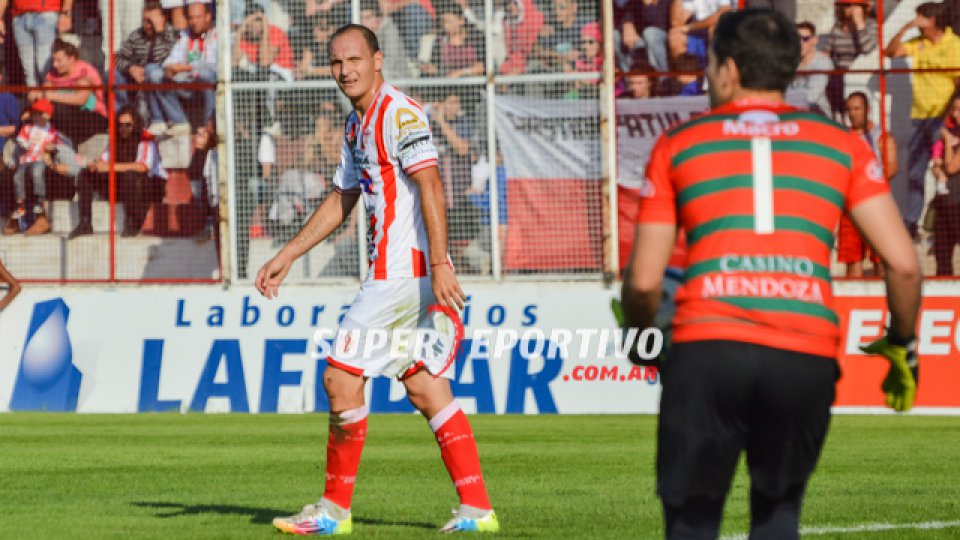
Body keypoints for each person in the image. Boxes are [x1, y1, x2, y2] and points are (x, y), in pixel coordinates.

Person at [621, 9, 921, 540]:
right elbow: (903, 264)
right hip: (802, 352)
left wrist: (640, 337)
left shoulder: (679, 143)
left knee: (691, 522)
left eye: (712, 65)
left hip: (707, 349)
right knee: (778, 516)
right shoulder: (842, 145)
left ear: (729, 70)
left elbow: (644, 283)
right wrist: (902, 343)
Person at [257, 24, 499, 535]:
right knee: (425, 387)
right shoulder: (355, 124)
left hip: (400, 275)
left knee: (340, 377)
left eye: (354, 59)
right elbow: (342, 198)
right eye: (336, 62)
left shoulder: (400, 113)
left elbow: (430, 184)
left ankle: (333, 511)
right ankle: (479, 510)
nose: (345, 70)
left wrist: (439, 262)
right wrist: (289, 253)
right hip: (396, 274)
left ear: (378, 59)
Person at [885, 1, 960, 240]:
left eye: (919, 18)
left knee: (947, 171)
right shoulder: (918, 43)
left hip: (944, 119)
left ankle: (946, 226)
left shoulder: (955, 45)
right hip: (919, 117)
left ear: (933, 20)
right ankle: (911, 224)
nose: (916, 22)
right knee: (916, 173)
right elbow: (891, 51)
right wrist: (906, 27)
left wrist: (949, 115)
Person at [69, 106, 166, 238]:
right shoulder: (116, 140)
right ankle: (85, 222)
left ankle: (132, 222)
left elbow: (142, 167)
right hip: (124, 185)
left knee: (130, 175)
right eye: (120, 125)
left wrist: (110, 167)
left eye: (128, 125)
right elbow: (104, 162)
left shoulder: (146, 139)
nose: (123, 129)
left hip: (149, 187)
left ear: (136, 125)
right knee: (85, 174)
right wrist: (95, 166)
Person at [837, 91, 898, 277]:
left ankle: (881, 302)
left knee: (880, 259)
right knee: (852, 261)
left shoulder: (881, 137)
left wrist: (867, 185)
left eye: (857, 108)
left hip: (875, 205)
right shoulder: (843, 137)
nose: (853, 113)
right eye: (849, 109)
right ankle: (853, 303)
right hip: (850, 207)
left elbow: (892, 168)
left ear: (867, 110)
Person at [149, 1, 217, 136]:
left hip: (205, 84)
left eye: (198, 17)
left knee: (207, 74)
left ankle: (209, 124)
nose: (193, 22)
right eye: (190, 18)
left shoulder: (217, 34)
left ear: (208, 17)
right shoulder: (185, 34)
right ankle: (179, 122)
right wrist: (170, 68)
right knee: (154, 73)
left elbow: (213, 66)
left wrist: (184, 68)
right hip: (185, 81)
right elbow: (172, 58)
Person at [34, 38, 108, 148]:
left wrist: (50, 95)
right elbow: (44, 94)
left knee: (58, 108)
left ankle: (67, 145)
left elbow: (80, 99)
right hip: (68, 114)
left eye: (59, 61)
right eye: (54, 61)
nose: (55, 64)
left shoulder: (84, 71)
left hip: (92, 115)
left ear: (71, 59)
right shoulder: (53, 73)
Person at [113, 0, 179, 118]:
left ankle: (155, 119)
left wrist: (158, 34)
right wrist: (130, 68)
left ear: (163, 18)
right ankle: (121, 118)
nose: (148, 25)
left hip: (162, 79)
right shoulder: (137, 35)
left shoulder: (172, 34)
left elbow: (162, 59)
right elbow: (118, 58)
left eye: (151, 21)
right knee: (112, 75)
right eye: (145, 21)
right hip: (138, 78)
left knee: (151, 70)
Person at [7, 99, 58, 235]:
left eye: (39, 113)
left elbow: (55, 144)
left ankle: (39, 200)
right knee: (18, 176)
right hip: (26, 158)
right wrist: (24, 144)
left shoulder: (51, 131)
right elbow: (21, 141)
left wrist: (51, 148)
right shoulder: (28, 128)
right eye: (34, 113)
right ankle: (20, 202)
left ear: (47, 115)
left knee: (37, 172)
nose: (35, 116)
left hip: (40, 158)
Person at [818, 0, 877, 118]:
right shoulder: (837, 28)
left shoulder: (871, 25)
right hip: (838, 76)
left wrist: (859, 24)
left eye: (855, 5)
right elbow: (827, 52)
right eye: (846, 5)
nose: (850, 9)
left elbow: (867, 48)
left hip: (859, 77)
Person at [0, 0, 72, 86]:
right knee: (29, 72)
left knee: (46, 68)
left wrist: (66, 13)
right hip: (19, 18)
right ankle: (37, 99)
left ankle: (50, 98)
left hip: (46, 14)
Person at [930, 93, 960, 275]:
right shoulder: (951, 132)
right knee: (942, 255)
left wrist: (948, 143)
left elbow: (950, 167)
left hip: (958, 204)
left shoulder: (949, 137)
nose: (956, 114)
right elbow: (936, 165)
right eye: (955, 109)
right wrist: (936, 168)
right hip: (945, 203)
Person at [788, 21, 832, 116]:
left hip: (819, 113)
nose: (800, 43)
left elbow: (813, 95)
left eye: (805, 39)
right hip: (795, 111)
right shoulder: (792, 61)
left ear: (815, 40)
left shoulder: (822, 61)